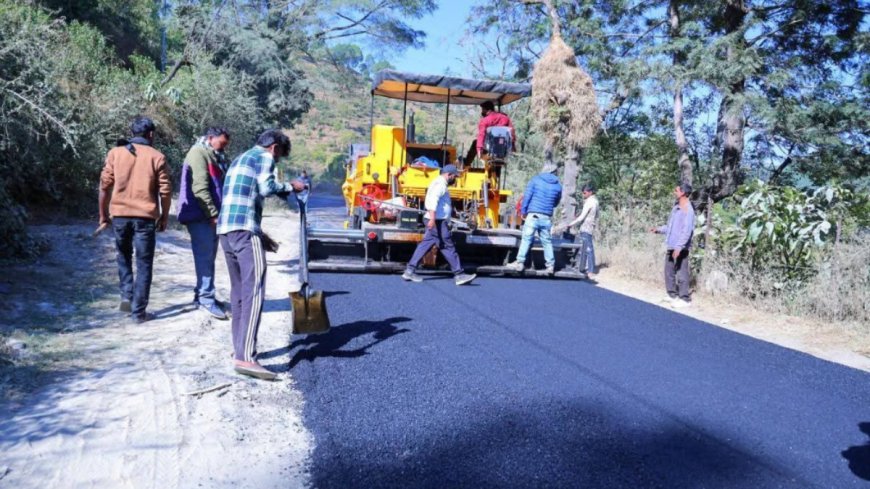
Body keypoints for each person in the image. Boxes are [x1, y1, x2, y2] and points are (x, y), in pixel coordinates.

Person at [217, 129, 306, 380]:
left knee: (239, 294)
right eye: (279, 157)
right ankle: (246, 358)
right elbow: (266, 188)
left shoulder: (239, 159)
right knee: (254, 291)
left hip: (226, 231)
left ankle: (239, 349)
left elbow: (242, 197)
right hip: (244, 231)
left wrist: (259, 232)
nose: (276, 162)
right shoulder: (264, 157)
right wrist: (292, 186)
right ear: (275, 148)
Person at [99, 116, 172, 323]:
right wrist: (164, 217)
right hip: (145, 219)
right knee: (144, 263)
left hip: (120, 216)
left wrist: (103, 215)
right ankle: (138, 313)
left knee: (123, 256)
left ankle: (126, 297)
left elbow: (104, 186)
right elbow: (165, 192)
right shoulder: (157, 156)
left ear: (132, 133)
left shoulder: (115, 153)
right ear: (151, 135)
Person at [177, 127, 232, 320]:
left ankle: (203, 294)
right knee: (204, 257)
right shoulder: (198, 153)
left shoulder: (212, 154)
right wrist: (213, 215)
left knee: (208, 257)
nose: (224, 148)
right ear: (211, 138)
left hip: (208, 215)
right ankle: (206, 299)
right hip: (201, 215)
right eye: (222, 143)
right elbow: (200, 188)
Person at [402, 164, 477, 286]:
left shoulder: (438, 182)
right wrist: (432, 219)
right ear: (449, 175)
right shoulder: (440, 184)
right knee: (447, 245)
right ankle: (459, 274)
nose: (455, 179)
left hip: (436, 220)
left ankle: (409, 270)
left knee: (425, 244)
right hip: (437, 221)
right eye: (454, 176)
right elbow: (432, 200)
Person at [507, 163, 563, 275]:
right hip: (546, 217)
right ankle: (550, 266)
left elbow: (527, 196)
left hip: (533, 215)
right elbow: (556, 202)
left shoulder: (535, 180)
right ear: (554, 172)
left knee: (526, 239)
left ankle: (520, 263)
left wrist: (523, 211)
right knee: (547, 242)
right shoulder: (558, 185)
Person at [650, 182, 696, 308]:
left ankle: (684, 299)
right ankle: (672, 294)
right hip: (671, 245)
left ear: (683, 193)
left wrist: (679, 247)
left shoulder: (688, 209)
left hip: (680, 248)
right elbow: (670, 227)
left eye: (676, 190)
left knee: (681, 272)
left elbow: (687, 231)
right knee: (669, 270)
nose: (674, 192)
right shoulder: (676, 207)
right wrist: (658, 229)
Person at [555, 183, 600, 276]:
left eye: (585, 193)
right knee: (587, 248)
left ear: (590, 192)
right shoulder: (595, 201)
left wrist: (570, 224)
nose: (583, 195)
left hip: (586, 227)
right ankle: (586, 268)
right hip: (590, 226)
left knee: (587, 249)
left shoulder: (590, 202)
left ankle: (591, 271)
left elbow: (581, 217)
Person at [464, 101, 517, 165]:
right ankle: (496, 173)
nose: (482, 112)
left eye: (482, 109)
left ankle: (466, 163)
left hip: (489, 148)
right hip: (503, 148)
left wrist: (479, 149)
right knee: (498, 150)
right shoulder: (505, 118)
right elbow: (511, 132)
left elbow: (481, 135)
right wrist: (513, 145)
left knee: (475, 142)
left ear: (486, 109)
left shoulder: (485, 121)